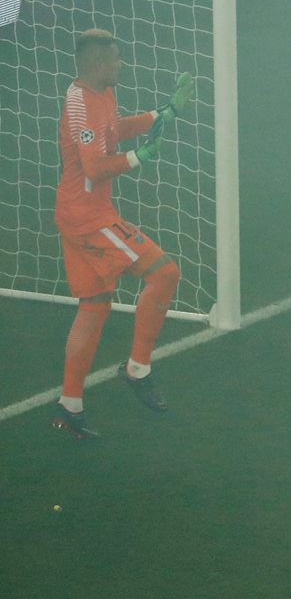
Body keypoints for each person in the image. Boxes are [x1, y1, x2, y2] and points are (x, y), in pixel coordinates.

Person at [51, 29, 195, 439]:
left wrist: (161, 115)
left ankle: (70, 404)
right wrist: (139, 158)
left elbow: (113, 129)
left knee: (94, 305)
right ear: (98, 64)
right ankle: (137, 370)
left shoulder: (101, 93)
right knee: (164, 273)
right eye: (115, 59)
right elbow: (96, 167)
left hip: (80, 212)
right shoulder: (79, 104)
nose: (120, 65)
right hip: (88, 217)